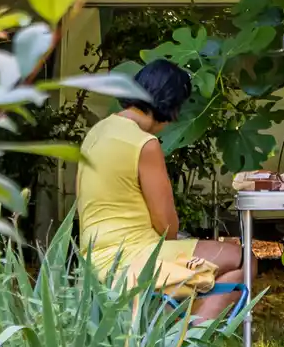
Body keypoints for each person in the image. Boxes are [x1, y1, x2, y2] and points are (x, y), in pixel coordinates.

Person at [75, 59, 251, 321]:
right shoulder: (144, 144)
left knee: (229, 274)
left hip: (92, 260)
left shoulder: (97, 132)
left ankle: (173, 339)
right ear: (169, 106)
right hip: (133, 259)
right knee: (242, 260)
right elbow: (167, 228)